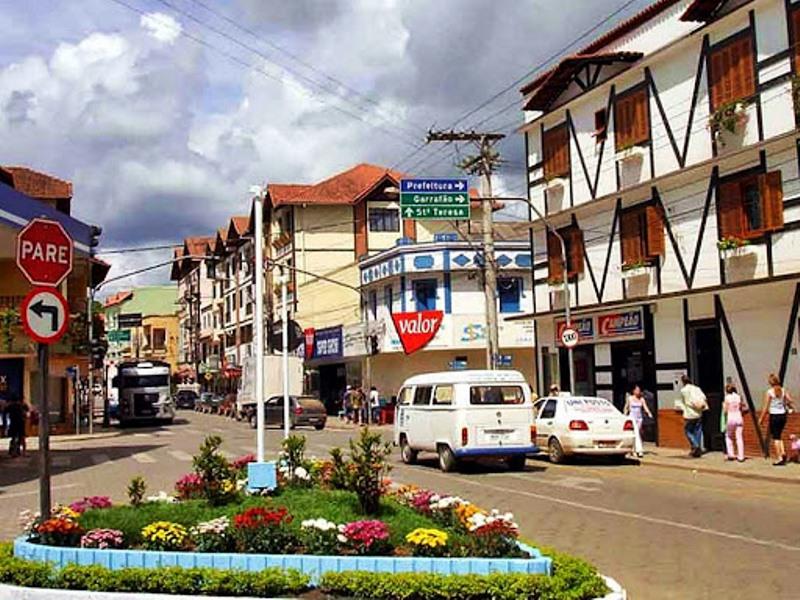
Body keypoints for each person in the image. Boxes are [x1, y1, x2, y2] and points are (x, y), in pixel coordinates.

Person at [759, 373, 795, 466]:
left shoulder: (770, 392)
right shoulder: (783, 390)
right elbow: (790, 400)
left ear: (770, 382)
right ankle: (783, 453)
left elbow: (765, 407)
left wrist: (761, 419)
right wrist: (788, 406)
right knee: (779, 435)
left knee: (775, 438)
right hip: (783, 415)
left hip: (774, 416)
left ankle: (779, 458)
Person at [679, 375, 707, 458]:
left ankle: (696, 445)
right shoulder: (697, 388)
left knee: (687, 431)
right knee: (698, 431)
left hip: (689, 414)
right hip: (699, 413)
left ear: (683, 382)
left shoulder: (683, 390)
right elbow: (704, 397)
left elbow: (683, 402)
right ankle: (696, 451)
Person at [624, 384, 653, 458]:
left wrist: (649, 413)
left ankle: (633, 450)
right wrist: (624, 416)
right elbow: (626, 407)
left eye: (639, 390)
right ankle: (639, 450)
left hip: (639, 419)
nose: (638, 391)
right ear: (633, 391)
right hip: (632, 418)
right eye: (637, 390)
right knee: (635, 433)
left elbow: (645, 407)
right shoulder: (630, 398)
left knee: (637, 434)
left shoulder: (642, 399)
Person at [723, 383, 746, 462]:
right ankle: (741, 456)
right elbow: (742, 407)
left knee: (728, 436)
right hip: (739, 417)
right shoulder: (739, 397)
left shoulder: (727, 398)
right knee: (739, 437)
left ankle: (731, 454)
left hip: (731, 418)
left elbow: (725, 410)